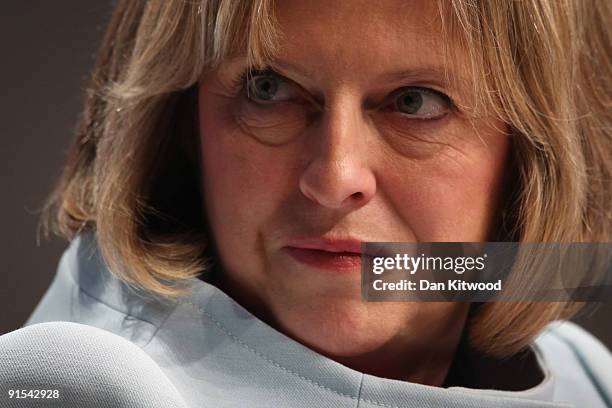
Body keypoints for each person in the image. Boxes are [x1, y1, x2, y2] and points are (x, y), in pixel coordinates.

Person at [2, 0, 611, 407]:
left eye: (416, 102)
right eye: (269, 90)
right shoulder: (86, 385)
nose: (335, 177)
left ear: (532, 157)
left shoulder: (584, 375)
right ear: (182, 125)